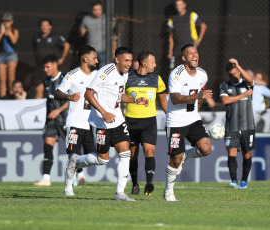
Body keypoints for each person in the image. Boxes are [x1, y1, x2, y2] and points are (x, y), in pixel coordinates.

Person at [65, 47, 149, 201]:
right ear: (117, 59)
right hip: (100, 121)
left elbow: (118, 96)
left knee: (125, 153)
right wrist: (104, 113)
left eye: (131, 61)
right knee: (102, 159)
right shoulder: (106, 71)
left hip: (116, 119)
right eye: (126, 60)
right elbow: (88, 94)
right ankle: (75, 160)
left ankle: (120, 194)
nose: (129, 64)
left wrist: (135, 100)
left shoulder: (124, 74)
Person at [164, 43, 212, 201]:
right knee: (175, 160)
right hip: (176, 121)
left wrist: (196, 110)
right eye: (190, 53)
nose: (194, 55)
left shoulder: (202, 74)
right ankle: (168, 192)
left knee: (206, 148)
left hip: (193, 119)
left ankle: (186, 155)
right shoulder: (176, 74)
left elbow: (202, 94)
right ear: (184, 58)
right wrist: (198, 96)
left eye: (196, 52)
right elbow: (175, 99)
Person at [54, 45, 98, 196]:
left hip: (92, 123)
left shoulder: (98, 75)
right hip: (75, 123)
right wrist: (69, 97)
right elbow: (57, 93)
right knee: (73, 154)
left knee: (95, 157)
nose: (97, 61)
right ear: (85, 59)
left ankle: (75, 165)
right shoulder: (72, 75)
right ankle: (68, 187)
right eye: (94, 58)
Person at [125, 51, 168, 195]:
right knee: (133, 154)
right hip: (131, 121)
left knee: (149, 151)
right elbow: (119, 96)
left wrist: (172, 119)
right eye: (153, 62)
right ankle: (135, 184)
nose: (155, 65)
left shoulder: (157, 79)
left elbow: (163, 102)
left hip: (149, 121)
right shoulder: (127, 78)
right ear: (144, 63)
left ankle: (149, 183)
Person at [33, 55, 69, 186]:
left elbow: (70, 100)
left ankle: (79, 174)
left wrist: (58, 111)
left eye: (47, 66)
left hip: (64, 119)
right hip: (51, 121)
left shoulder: (65, 78)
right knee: (47, 148)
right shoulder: (46, 80)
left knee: (70, 149)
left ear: (55, 65)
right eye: (44, 67)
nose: (45, 69)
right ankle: (46, 178)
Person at [220, 58, 255, 189]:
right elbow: (225, 101)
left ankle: (244, 181)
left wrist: (238, 65)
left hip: (248, 125)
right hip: (232, 126)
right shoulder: (224, 85)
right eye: (231, 74)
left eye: (235, 73)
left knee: (247, 154)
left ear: (239, 72)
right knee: (231, 152)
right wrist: (244, 95)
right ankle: (234, 181)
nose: (234, 76)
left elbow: (251, 80)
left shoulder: (247, 84)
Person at [33, 18, 70, 98]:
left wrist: (62, 58)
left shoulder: (56, 36)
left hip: (52, 67)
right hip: (40, 67)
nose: (44, 27)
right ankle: (37, 109)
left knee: (55, 88)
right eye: (42, 25)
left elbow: (67, 45)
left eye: (46, 25)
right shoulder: (37, 38)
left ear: (50, 26)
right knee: (39, 87)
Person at [167, 0, 207, 69]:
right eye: (177, 5)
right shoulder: (172, 19)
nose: (178, 7)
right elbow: (170, 37)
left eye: (180, 5)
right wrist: (170, 52)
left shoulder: (192, 15)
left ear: (184, 5)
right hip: (177, 48)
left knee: (191, 67)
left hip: (190, 46)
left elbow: (203, 26)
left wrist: (199, 40)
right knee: (173, 68)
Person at [0, 13, 19, 98]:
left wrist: (8, 31)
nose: (6, 23)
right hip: (1, 55)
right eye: (5, 21)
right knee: (2, 78)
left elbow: (14, 41)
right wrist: (2, 32)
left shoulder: (14, 30)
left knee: (11, 78)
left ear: (12, 22)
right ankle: (3, 96)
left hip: (11, 55)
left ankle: (11, 95)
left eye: (8, 21)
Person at [80, 1, 106, 68]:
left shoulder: (106, 19)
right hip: (91, 51)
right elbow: (82, 33)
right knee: (90, 70)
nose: (97, 11)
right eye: (95, 10)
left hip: (104, 50)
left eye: (99, 9)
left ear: (102, 9)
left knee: (103, 70)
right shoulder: (86, 19)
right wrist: (83, 31)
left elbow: (113, 35)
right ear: (91, 10)